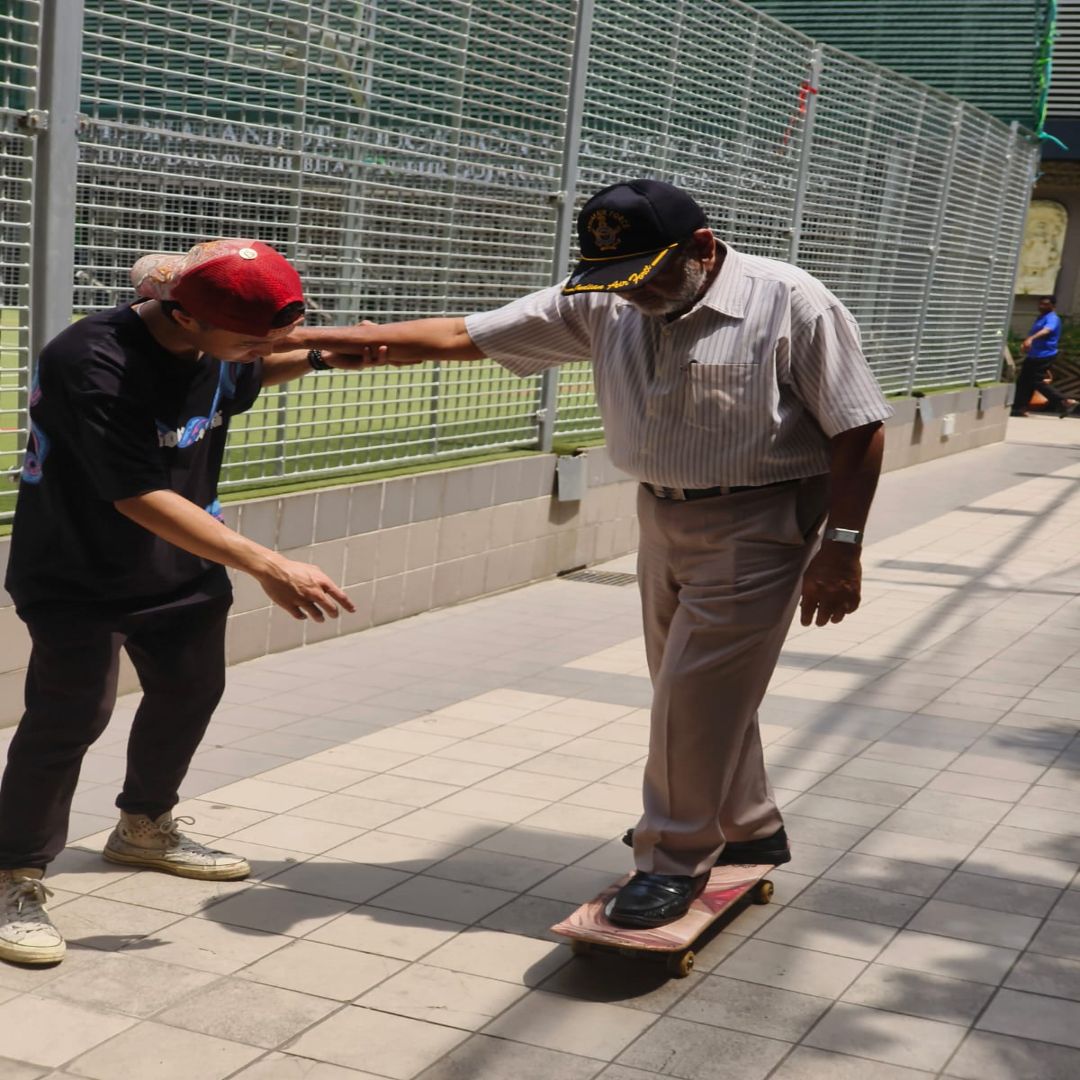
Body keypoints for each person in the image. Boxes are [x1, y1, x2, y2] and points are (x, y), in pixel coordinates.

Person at [284, 179, 893, 929]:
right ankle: (752, 825)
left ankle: (672, 858)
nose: (630, 298)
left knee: (694, 694)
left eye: (647, 278)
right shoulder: (611, 298)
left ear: (702, 249)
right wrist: (331, 345)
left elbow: (857, 427)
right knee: (692, 687)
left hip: (763, 518)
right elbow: (464, 335)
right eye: (615, 281)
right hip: (663, 512)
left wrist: (844, 544)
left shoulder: (790, 302)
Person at [0, 239, 363, 966]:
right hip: (76, 568)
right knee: (71, 713)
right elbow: (135, 491)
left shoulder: (216, 347)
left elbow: (250, 372)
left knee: (192, 689)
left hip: (182, 565)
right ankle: (15, 873)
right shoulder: (90, 359)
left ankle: (143, 826)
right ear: (184, 317)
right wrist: (267, 562)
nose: (267, 348)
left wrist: (326, 355)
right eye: (250, 339)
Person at [1011, 295, 1075, 417]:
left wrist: (1031, 338)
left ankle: (1065, 401)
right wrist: (1027, 344)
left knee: (1036, 381)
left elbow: (1047, 330)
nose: (1042, 306)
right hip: (1034, 354)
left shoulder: (1052, 318)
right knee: (1024, 381)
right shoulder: (1041, 317)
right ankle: (1019, 408)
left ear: (1053, 306)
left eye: (1046, 304)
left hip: (1044, 354)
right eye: (1041, 304)